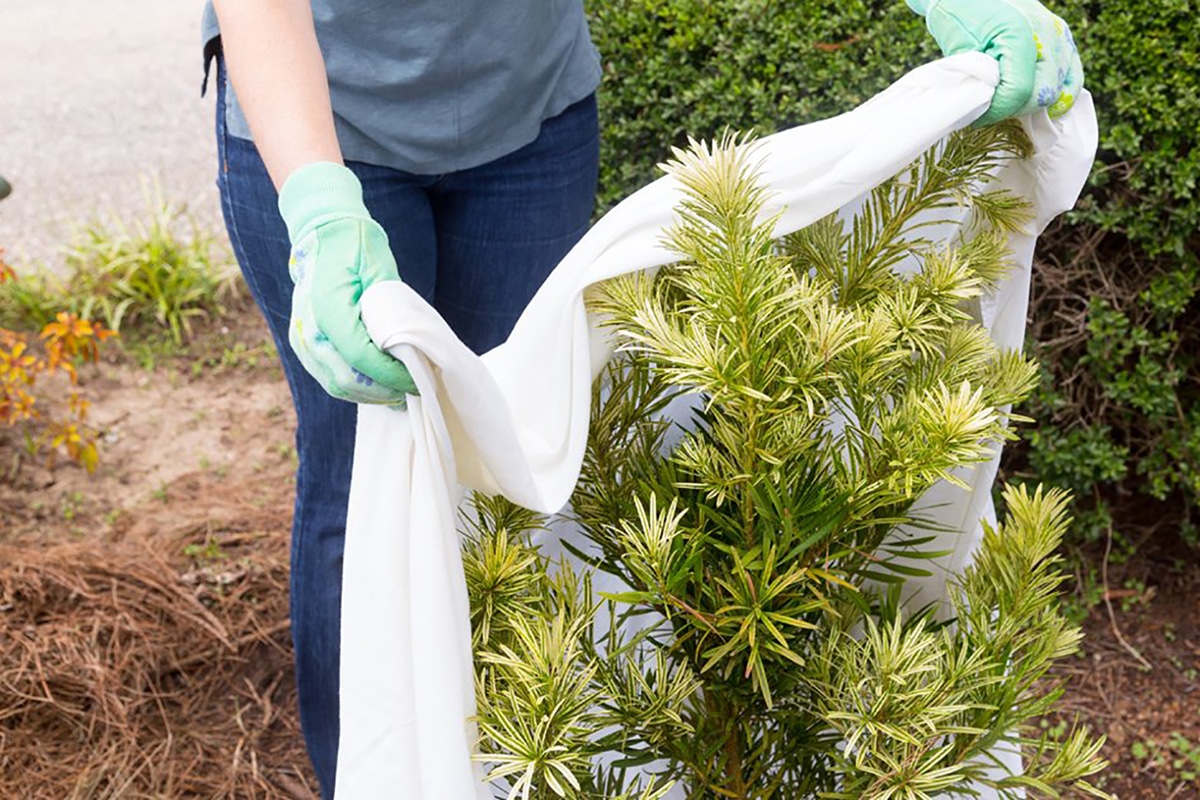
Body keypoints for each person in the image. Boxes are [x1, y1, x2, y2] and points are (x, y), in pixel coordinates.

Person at [201, 1, 1083, 796]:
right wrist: (321, 205)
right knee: (362, 476)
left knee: (522, 467)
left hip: (527, 119)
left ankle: (509, 761)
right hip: (320, 113)